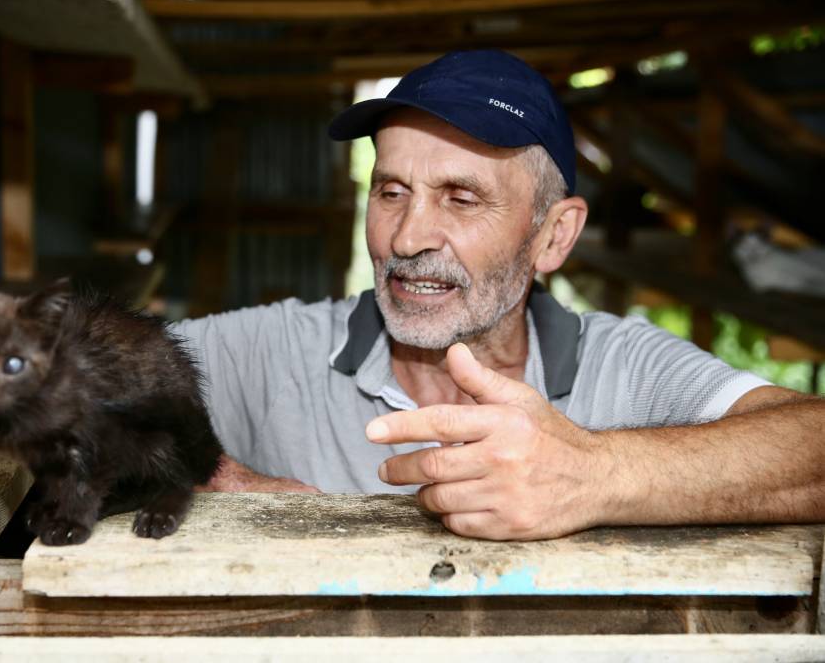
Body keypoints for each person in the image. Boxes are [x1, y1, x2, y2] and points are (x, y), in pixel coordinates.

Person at [173, 50, 825, 540]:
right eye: (391, 191)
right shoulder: (279, 351)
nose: (407, 237)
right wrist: (227, 481)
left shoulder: (622, 365)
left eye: (461, 198)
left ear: (553, 235)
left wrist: (593, 473)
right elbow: (104, 368)